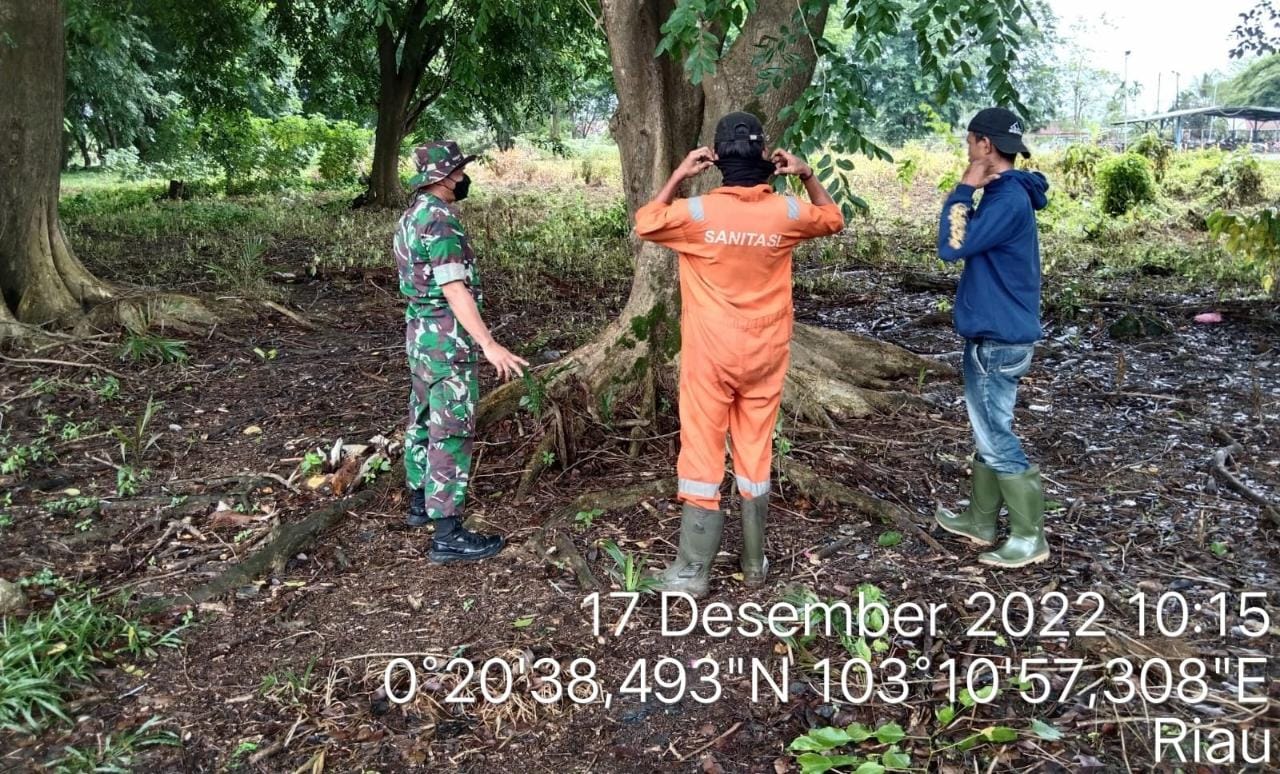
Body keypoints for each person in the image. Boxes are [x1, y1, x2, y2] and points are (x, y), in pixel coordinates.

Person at [635, 112, 845, 597]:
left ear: (716, 161)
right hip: (766, 355)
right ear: (768, 159)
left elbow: (645, 223)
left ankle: (692, 571)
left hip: (712, 357)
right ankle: (755, 564)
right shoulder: (787, 213)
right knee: (756, 450)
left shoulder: (698, 213)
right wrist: (807, 173)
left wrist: (678, 175)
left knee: (704, 454)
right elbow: (833, 219)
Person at [392, 141, 528, 563]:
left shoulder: (411, 217)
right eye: (460, 172)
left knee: (422, 417)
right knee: (450, 430)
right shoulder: (440, 220)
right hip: (447, 340)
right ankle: (447, 533)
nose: (464, 178)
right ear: (446, 177)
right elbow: (454, 287)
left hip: (419, 337)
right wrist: (489, 344)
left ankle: (419, 500)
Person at [933, 108, 1051, 568]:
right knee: (987, 428)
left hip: (998, 338)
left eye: (970, 143)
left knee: (995, 433)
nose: (968, 150)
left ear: (984, 145)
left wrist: (964, 187)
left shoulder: (1004, 200)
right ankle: (980, 521)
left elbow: (952, 245)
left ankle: (1029, 537)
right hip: (999, 331)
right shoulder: (1011, 193)